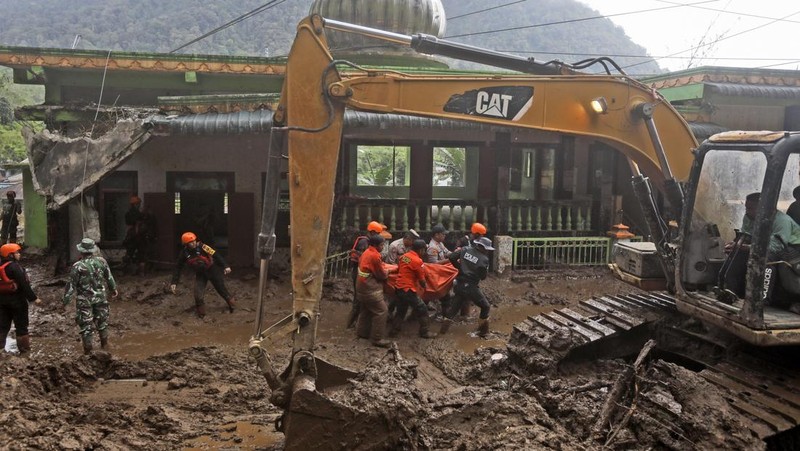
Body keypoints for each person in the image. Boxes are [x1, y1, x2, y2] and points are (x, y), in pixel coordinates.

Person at [722, 192, 800, 298]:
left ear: (766, 208)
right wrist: (737, 244)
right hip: (766, 246)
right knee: (737, 253)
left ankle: (761, 299)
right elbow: (745, 235)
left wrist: (749, 248)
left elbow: (776, 247)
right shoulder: (749, 217)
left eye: (751, 208)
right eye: (746, 208)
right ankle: (729, 289)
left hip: (792, 249)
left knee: (767, 258)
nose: (747, 212)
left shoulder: (782, 221)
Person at [62, 238, 118, 354]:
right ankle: (105, 347)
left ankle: (88, 353)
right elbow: (109, 277)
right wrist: (113, 289)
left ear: (81, 251)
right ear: (93, 250)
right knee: (102, 322)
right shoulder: (102, 262)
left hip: (84, 300)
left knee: (86, 326)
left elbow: (71, 285)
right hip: (100, 297)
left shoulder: (77, 266)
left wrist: (66, 299)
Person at [170, 232, 235, 318]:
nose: (193, 243)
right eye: (190, 242)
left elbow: (215, 255)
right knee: (198, 294)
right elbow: (178, 267)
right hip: (200, 274)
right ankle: (201, 314)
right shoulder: (184, 253)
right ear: (186, 244)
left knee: (222, 290)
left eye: (194, 241)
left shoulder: (203, 246)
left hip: (212, 271)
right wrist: (174, 282)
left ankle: (233, 306)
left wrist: (226, 266)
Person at [440, 237, 495, 337]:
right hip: (471, 286)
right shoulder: (484, 259)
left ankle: (442, 332)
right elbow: (483, 277)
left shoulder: (465, 249)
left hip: (459, 283)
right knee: (485, 306)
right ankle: (483, 332)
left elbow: (452, 257)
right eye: (487, 249)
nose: (487, 251)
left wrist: (459, 268)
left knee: (453, 309)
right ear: (483, 247)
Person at [0, 243, 41, 354]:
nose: (19, 254)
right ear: (10, 255)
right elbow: (24, 284)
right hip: (18, 302)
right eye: (17, 253)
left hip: (2, 302)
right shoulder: (15, 267)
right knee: (22, 326)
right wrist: (33, 298)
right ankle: (24, 351)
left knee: (2, 326)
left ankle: (1, 350)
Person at [392, 239, 437, 339]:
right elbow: (422, 280)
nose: (424, 252)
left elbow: (400, 269)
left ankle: (394, 331)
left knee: (401, 310)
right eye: (424, 250)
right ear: (421, 250)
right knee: (422, 309)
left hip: (398, 287)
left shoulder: (404, 257)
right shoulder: (418, 261)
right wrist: (427, 288)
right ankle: (425, 332)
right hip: (408, 289)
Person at [355, 235, 392, 348]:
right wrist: (388, 273)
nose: (383, 247)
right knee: (382, 310)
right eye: (382, 245)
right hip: (369, 288)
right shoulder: (375, 256)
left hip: (361, 286)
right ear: (376, 245)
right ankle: (377, 338)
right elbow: (380, 274)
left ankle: (362, 333)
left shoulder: (366, 252)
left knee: (366, 309)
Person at [346, 221, 384, 329]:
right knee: (358, 299)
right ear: (372, 232)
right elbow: (364, 259)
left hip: (359, 271)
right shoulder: (364, 242)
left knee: (360, 300)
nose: (379, 236)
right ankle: (349, 325)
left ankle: (356, 324)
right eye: (378, 233)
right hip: (358, 272)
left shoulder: (364, 240)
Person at [426, 223, 453, 316]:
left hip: (440, 273)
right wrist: (449, 260)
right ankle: (446, 317)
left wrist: (455, 254)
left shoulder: (440, 243)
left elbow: (447, 252)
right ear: (436, 235)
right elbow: (434, 264)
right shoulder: (432, 247)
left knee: (439, 296)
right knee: (444, 297)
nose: (445, 235)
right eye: (443, 234)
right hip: (434, 274)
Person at [134, 206, 158, 275]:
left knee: (145, 255)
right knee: (143, 255)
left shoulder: (148, 221)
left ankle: (145, 270)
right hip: (143, 241)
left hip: (146, 240)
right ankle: (143, 271)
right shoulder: (143, 221)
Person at [123, 195, 142, 265]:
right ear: (136, 204)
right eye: (139, 204)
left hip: (129, 234)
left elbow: (127, 224)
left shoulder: (127, 213)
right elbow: (138, 224)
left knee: (129, 252)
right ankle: (139, 270)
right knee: (141, 252)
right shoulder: (138, 214)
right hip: (137, 235)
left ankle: (126, 267)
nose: (140, 205)